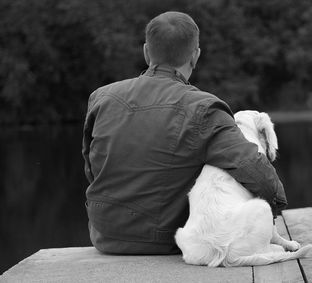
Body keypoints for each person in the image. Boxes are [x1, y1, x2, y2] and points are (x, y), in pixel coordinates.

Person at [82, 11, 287, 254]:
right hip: (166, 240)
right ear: (195, 56)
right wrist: (274, 209)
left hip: (105, 235)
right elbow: (259, 176)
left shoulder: (101, 98)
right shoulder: (205, 108)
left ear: (146, 51)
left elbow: (92, 168)